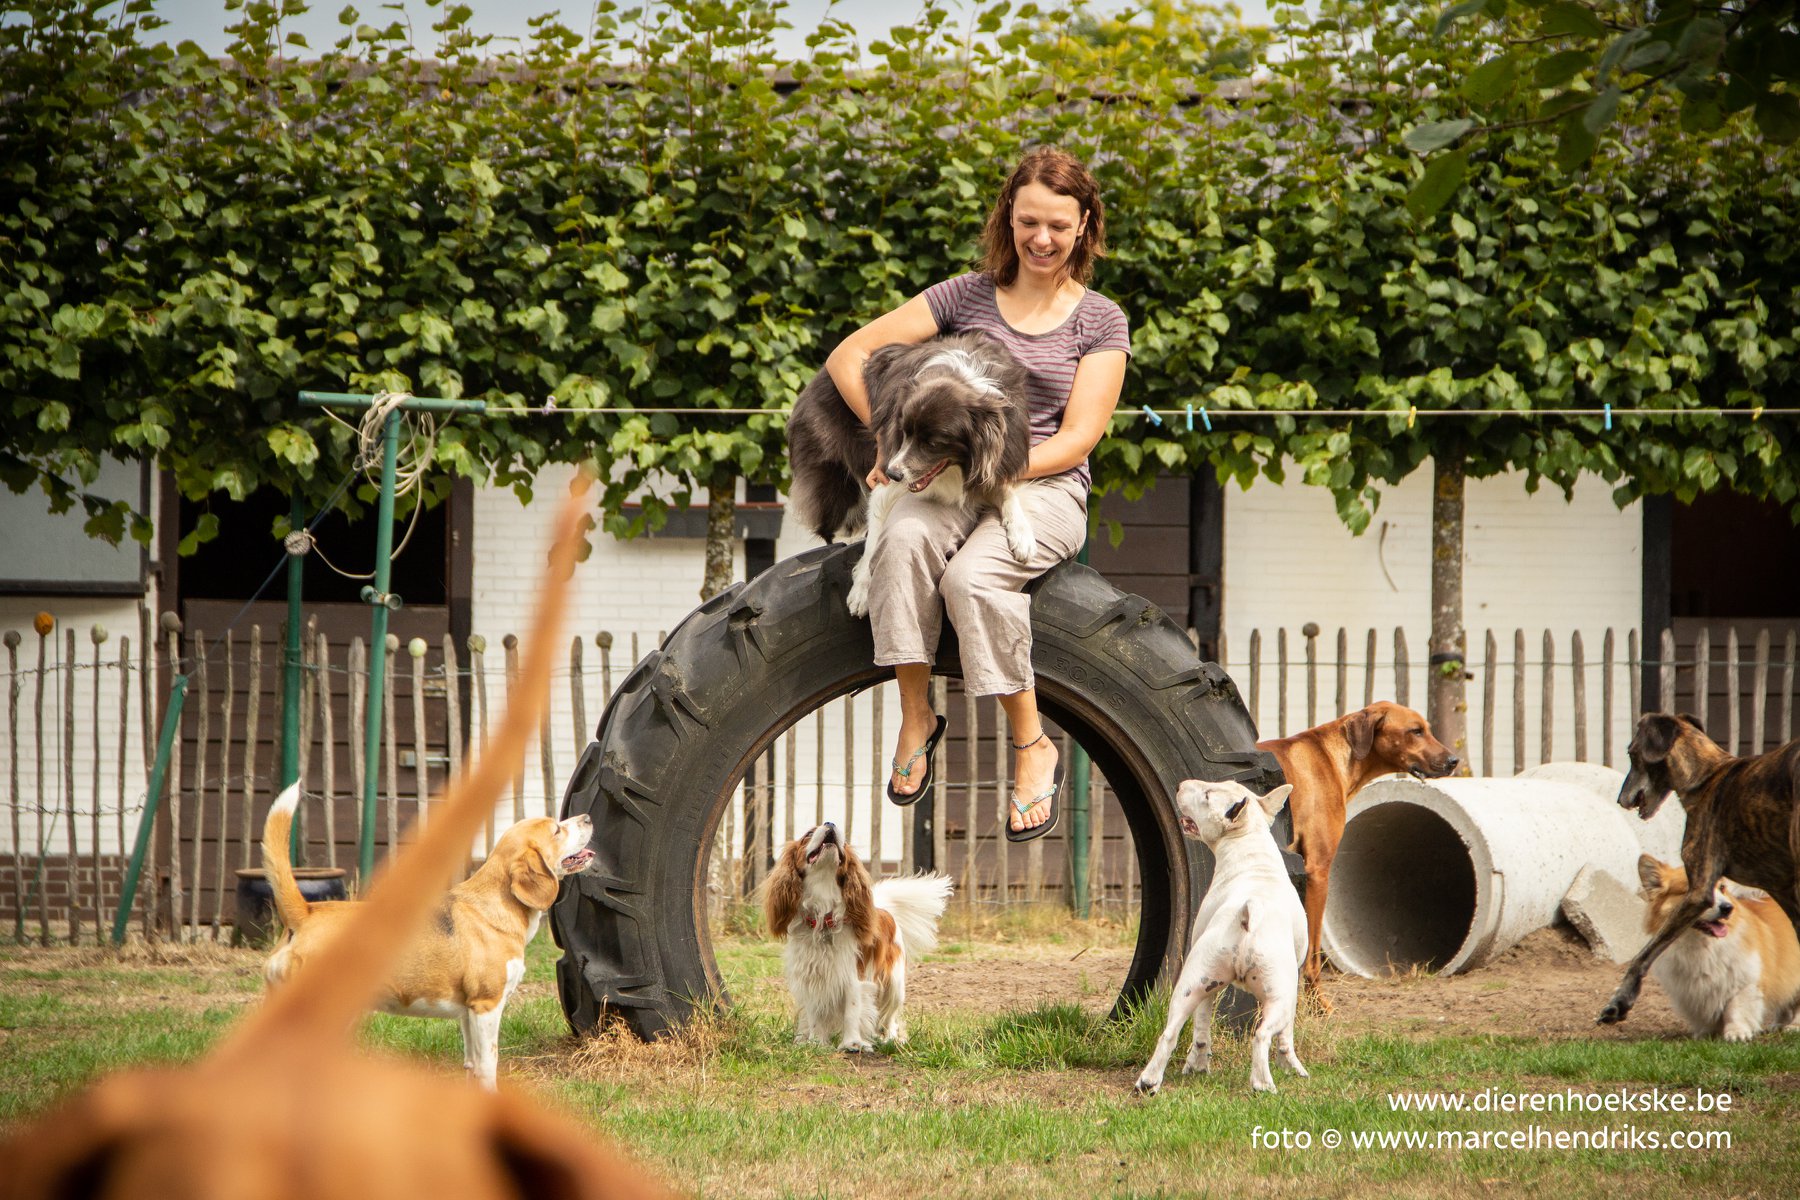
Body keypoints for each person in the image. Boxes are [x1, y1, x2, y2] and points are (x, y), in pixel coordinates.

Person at [823, 146, 1130, 842]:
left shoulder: (1100, 321)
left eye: (1059, 224)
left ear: (1084, 225)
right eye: (1029, 222)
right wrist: (887, 441)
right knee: (899, 540)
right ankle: (916, 714)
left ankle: (1031, 743)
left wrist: (993, 472)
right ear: (1008, 218)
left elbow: (1080, 438)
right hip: (949, 478)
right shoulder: (964, 296)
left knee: (974, 578)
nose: (1042, 239)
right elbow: (852, 355)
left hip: (1042, 487)